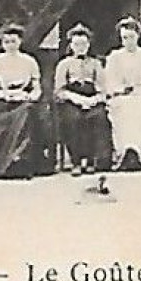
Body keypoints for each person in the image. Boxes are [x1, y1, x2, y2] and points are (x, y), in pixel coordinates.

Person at [0, 25, 54, 178]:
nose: (10, 45)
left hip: (25, 101)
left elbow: (37, 90)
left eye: (13, 41)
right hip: (2, 104)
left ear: (20, 42)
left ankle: (21, 161)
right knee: (22, 113)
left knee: (28, 111)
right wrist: (8, 96)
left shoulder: (29, 61)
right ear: (2, 44)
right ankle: (9, 163)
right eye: (6, 42)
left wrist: (28, 96)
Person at [105, 19, 141, 171]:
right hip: (124, 96)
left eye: (131, 37)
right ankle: (126, 151)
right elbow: (110, 82)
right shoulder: (114, 57)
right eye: (125, 38)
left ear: (138, 36)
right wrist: (121, 89)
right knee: (124, 111)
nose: (128, 41)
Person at [53, 25, 110, 175]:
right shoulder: (64, 64)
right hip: (71, 100)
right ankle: (75, 161)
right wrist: (77, 99)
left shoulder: (96, 64)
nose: (80, 48)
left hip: (92, 98)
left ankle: (91, 160)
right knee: (73, 119)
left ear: (89, 45)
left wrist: (93, 100)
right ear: (71, 45)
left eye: (84, 44)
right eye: (77, 44)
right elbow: (59, 90)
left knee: (98, 117)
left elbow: (103, 89)